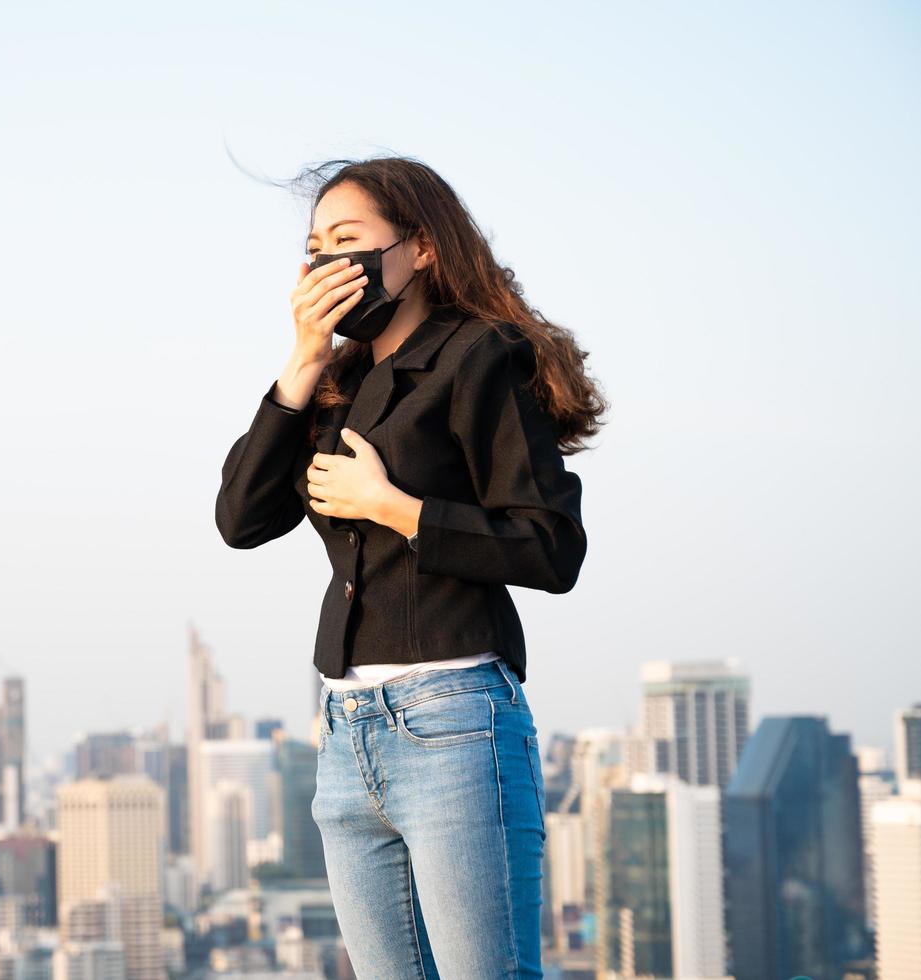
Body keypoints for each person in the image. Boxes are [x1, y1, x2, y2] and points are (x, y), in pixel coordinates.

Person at [214, 156, 606, 977]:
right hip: (345, 728)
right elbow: (242, 520)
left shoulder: (479, 357)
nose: (326, 262)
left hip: (453, 718)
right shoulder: (335, 382)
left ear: (418, 249)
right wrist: (302, 358)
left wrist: (393, 505)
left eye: (347, 240)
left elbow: (549, 546)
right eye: (314, 247)